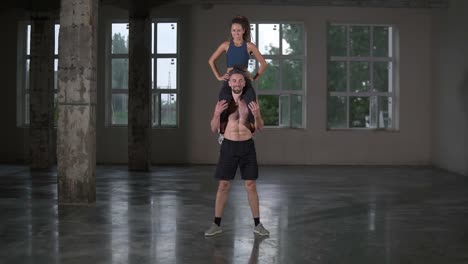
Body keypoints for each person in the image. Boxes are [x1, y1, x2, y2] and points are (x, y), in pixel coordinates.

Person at [204, 68, 269, 237]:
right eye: (234, 80)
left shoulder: (250, 103)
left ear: (244, 83)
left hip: (247, 146)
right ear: (229, 83)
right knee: (223, 185)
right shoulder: (223, 102)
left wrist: (257, 115)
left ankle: (258, 224)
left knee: (251, 185)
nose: (237, 83)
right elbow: (213, 128)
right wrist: (217, 114)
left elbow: (260, 127)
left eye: (240, 80)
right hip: (228, 146)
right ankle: (216, 224)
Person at [208, 15, 267, 134]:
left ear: (244, 31)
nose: (236, 33)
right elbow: (211, 60)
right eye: (233, 30)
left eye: (239, 30)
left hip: (244, 78)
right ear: (231, 31)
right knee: (223, 100)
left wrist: (254, 77)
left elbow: (263, 63)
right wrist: (219, 77)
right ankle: (222, 130)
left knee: (252, 102)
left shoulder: (249, 46)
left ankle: (251, 127)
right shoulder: (226, 45)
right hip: (230, 79)